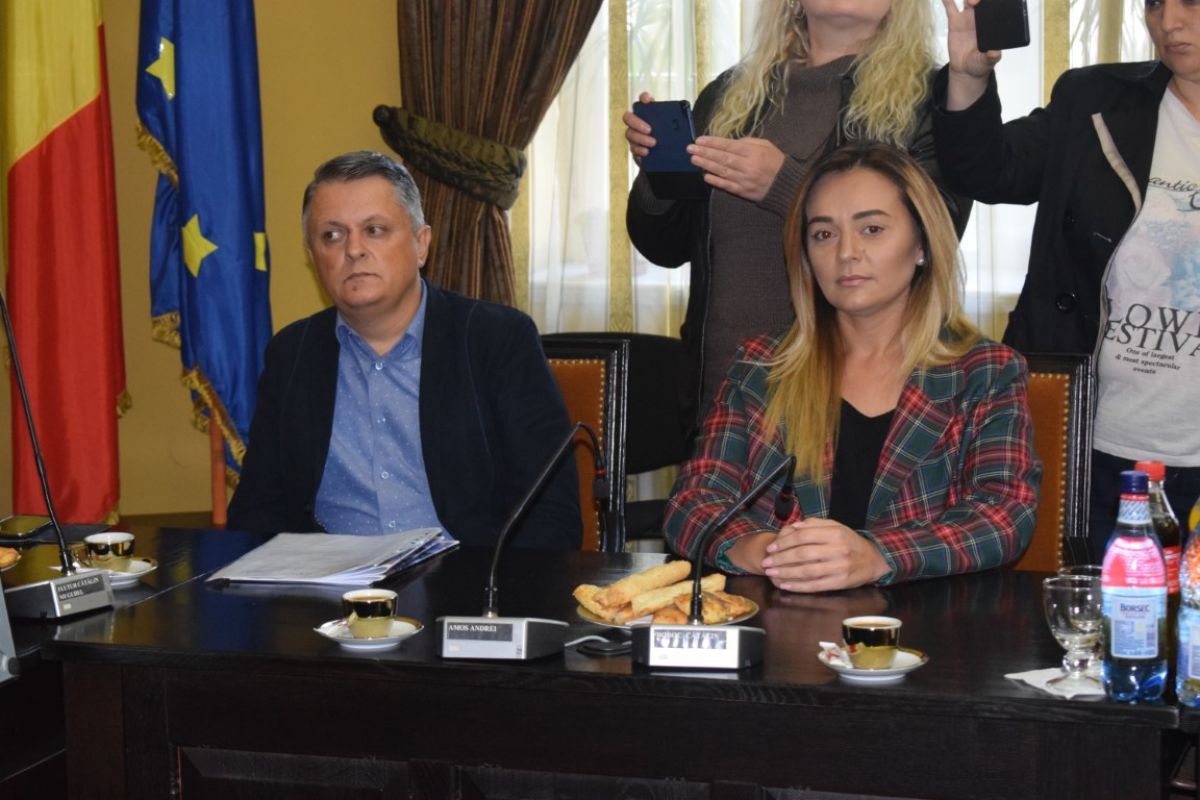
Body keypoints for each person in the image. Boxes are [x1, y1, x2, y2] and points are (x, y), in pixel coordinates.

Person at [663, 143, 1040, 591]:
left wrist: (877, 555)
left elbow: (1003, 516)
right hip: (785, 621)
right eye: (824, 234)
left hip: (925, 622)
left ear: (922, 244)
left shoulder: (986, 372)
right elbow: (692, 503)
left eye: (872, 229)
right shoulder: (761, 366)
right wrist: (767, 550)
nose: (847, 252)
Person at [932, 0, 1200, 559]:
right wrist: (968, 76)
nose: (1169, 23)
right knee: (1074, 606)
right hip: (1093, 443)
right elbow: (988, 170)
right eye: (1155, 3)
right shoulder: (1094, 101)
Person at [624, 0, 971, 428]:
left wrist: (786, 185)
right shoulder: (731, 94)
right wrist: (660, 170)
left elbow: (937, 232)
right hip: (721, 393)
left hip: (857, 401)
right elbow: (665, 246)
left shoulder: (933, 97)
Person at [228, 151, 581, 549]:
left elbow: (553, 515)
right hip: (331, 581)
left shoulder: (498, 340)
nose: (353, 250)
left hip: (465, 577)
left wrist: (486, 585)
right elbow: (256, 511)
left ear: (421, 244)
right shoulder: (292, 354)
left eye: (374, 230)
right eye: (332, 235)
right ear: (313, 258)